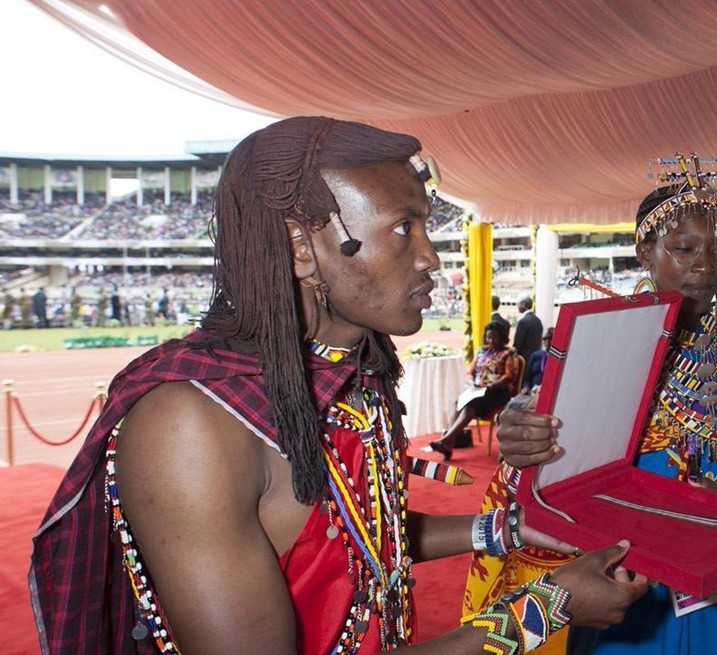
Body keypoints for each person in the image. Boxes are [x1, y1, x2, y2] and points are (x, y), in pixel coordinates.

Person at [29, 117, 646, 655]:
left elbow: (362, 539)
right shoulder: (192, 424)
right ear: (300, 247)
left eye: (426, 227)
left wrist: (506, 530)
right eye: (403, 228)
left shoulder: (354, 377)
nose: (431, 257)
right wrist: (542, 611)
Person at [468, 165, 717, 655]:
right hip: (631, 570)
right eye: (684, 249)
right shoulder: (608, 341)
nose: (707, 267)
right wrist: (527, 440)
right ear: (646, 252)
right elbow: (555, 464)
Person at [426, 321, 521, 459]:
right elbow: (471, 371)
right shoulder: (482, 351)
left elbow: (509, 376)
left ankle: (446, 440)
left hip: (498, 391)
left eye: (495, 338)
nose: (491, 341)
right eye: (488, 338)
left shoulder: (509, 353)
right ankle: (448, 443)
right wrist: (473, 383)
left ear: (502, 337)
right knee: (458, 403)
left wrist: (491, 385)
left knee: (470, 406)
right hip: (478, 391)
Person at [521, 327, 554, 394]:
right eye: (545, 338)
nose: (547, 341)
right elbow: (527, 378)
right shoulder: (536, 355)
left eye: (550, 338)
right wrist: (526, 387)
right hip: (532, 392)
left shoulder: (557, 359)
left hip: (548, 392)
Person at [513, 296, 544, 362]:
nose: (517, 306)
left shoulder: (522, 322)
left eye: (518, 304)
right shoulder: (538, 320)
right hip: (535, 359)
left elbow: (517, 344)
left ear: (523, 304)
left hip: (524, 360)